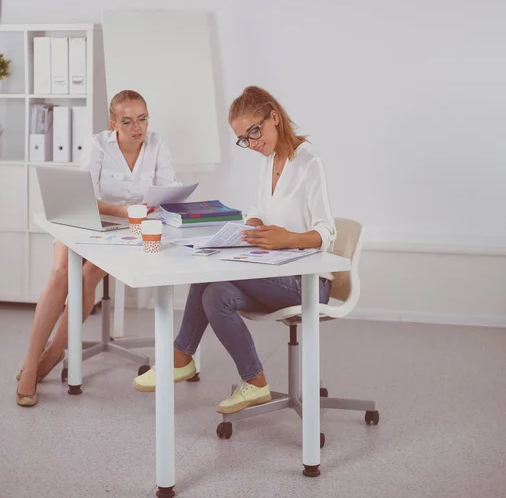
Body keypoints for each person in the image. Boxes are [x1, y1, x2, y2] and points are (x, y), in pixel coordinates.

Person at [133, 86, 336, 415]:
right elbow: (258, 209)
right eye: (245, 139)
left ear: (273, 117)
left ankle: (181, 357)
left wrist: (287, 238)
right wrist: (252, 223)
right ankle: (255, 382)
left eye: (254, 132)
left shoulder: (310, 164)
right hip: (270, 271)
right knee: (215, 295)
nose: (253, 144)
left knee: (210, 274)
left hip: (307, 280)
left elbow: (327, 233)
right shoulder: (267, 162)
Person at [16, 90, 179, 407]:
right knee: (62, 273)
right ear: (113, 123)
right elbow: (84, 196)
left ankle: (53, 353)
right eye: (128, 121)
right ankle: (32, 360)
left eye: (143, 119)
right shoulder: (98, 145)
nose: (137, 128)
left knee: (87, 277)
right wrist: (124, 210)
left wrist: (147, 210)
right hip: (88, 219)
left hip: (126, 231)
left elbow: (169, 191)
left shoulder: (157, 145)